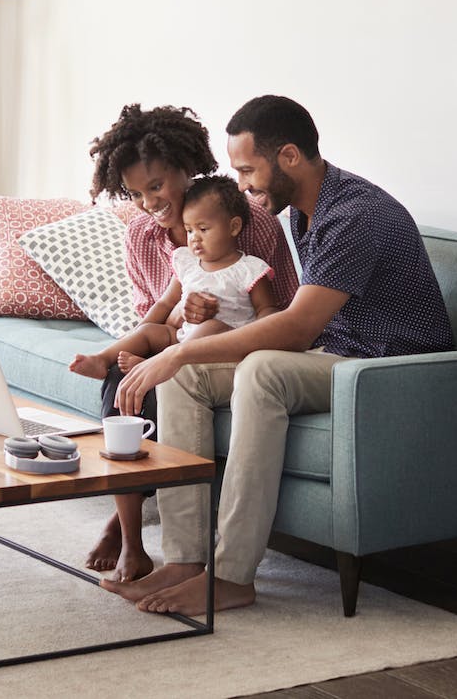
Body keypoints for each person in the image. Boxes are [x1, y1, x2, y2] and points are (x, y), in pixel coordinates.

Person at [105, 95, 454, 615]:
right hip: (338, 355)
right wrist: (180, 356)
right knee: (184, 378)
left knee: (259, 370)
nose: (241, 184)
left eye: (248, 169)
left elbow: (295, 327)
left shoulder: (355, 214)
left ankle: (231, 577)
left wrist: (174, 354)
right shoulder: (306, 213)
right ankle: (185, 560)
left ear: (288, 156)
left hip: (389, 367)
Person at [82, 105, 300, 584]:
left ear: (186, 168)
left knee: (161, 376)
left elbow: (280, 309)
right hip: (173, 339)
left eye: (157, 186)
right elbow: (153, 313)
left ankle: (125, 526)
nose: (149, 203)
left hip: (234, 344)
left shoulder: (250, 222)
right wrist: (176, 322)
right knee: (123, 381)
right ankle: (133, 543)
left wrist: (206, 321)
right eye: (136, 193)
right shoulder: (140, 234)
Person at [71, 176, 278, 379]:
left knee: (212, 326)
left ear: (234, 227)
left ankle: (155, 365)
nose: (194, 238)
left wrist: (258, 337)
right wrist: (141, 330)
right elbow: (165, 302)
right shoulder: (187, 261)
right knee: (150, 331)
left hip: (226, 343)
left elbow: (266, 309)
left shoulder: (249, 269)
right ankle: (102, 359)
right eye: (189, 230)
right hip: (183, 337)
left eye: (203, 229)